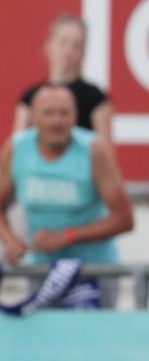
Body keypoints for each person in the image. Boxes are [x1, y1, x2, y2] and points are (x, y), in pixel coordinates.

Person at [0, 85, 133, 307]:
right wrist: (10, 241)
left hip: (93, 271)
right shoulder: (17, 148)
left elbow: (125, 219)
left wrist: (68, 236)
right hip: (42, 270)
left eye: (64, 113)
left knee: (93, 341)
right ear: (33, 117)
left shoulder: (93, 150)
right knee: (44, 341)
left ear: (75, 116)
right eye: (48, 113)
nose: (56, 122)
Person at [14, 14, 113, 142]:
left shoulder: (96, 98)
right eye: (63, 42)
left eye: (76, 45)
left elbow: (106, 152)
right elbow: (17, 147)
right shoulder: (30, 97)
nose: (68, 51)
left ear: (83, 52)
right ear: (49, 45)